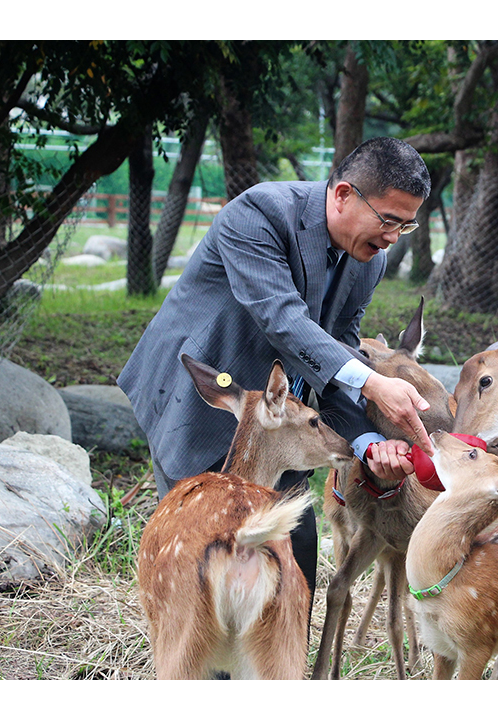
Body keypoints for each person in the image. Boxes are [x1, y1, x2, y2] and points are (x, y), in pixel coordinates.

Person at [118, 136, 434, 601]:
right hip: (204, 400)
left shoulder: (369, 262)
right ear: (344, 194)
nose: (391, 238)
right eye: (388, 220)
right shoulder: (260, 214)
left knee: (294, 561)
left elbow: (337, 349)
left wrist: (368, 443)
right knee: (206, 569)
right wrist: (372, 381)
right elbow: (281, 319)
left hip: (284, 427)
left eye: (405, 227)